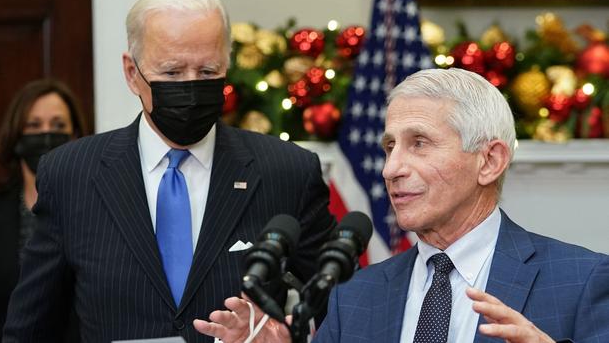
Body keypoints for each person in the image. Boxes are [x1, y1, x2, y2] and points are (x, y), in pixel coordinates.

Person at [2, 0, 335, 343]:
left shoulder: (286, 172)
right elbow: (30, 328)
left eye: (207, 72)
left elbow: (344, 306)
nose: (191, 87)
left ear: (227, 66)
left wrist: (291, 336)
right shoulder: (72, 174)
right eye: (172, 73)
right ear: (132, 73)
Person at [193, 68, 609, 343]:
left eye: (419, 144)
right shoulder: (353, 296)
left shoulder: (583, 282)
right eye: (390, 147)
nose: (392, 169)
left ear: (490, 160)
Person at [0, 78, 87, 343]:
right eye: (34, 125)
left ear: (75, 135)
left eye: (58, 125)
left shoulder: (95, 209)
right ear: (16, 136)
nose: (46, 135)